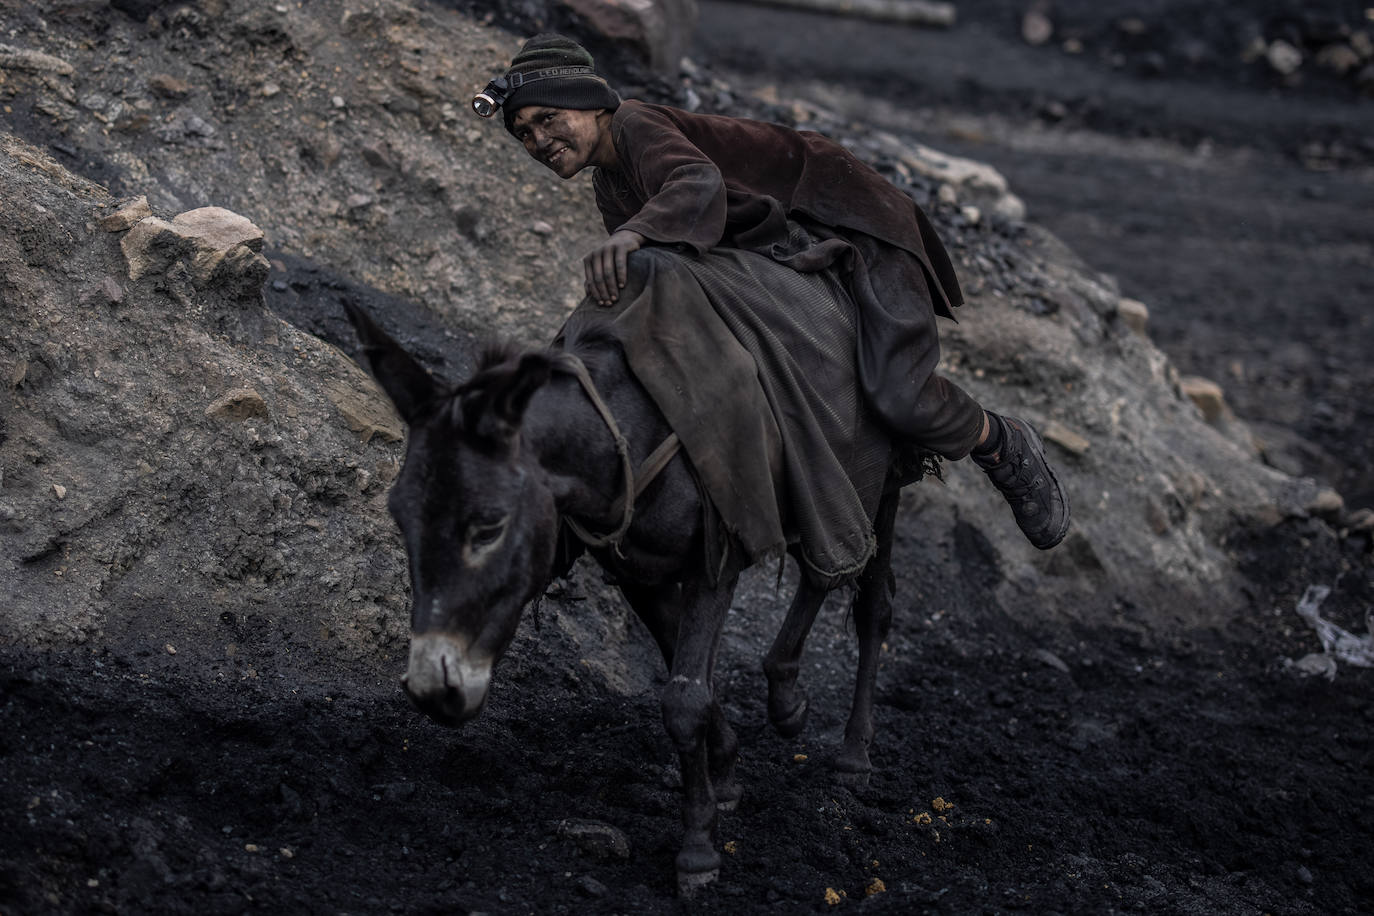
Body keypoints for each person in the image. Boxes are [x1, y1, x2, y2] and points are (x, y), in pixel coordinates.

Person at [472, 34, 1069, 550]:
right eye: (524, 133)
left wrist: (630, 235)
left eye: (548, 119)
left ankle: (1001, 442)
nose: (539, 140)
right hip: (774, 247)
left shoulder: (636, 125)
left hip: (846, 220)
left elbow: (695, 181)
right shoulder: (610, 183)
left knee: (896, 393)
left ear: (591, 106)